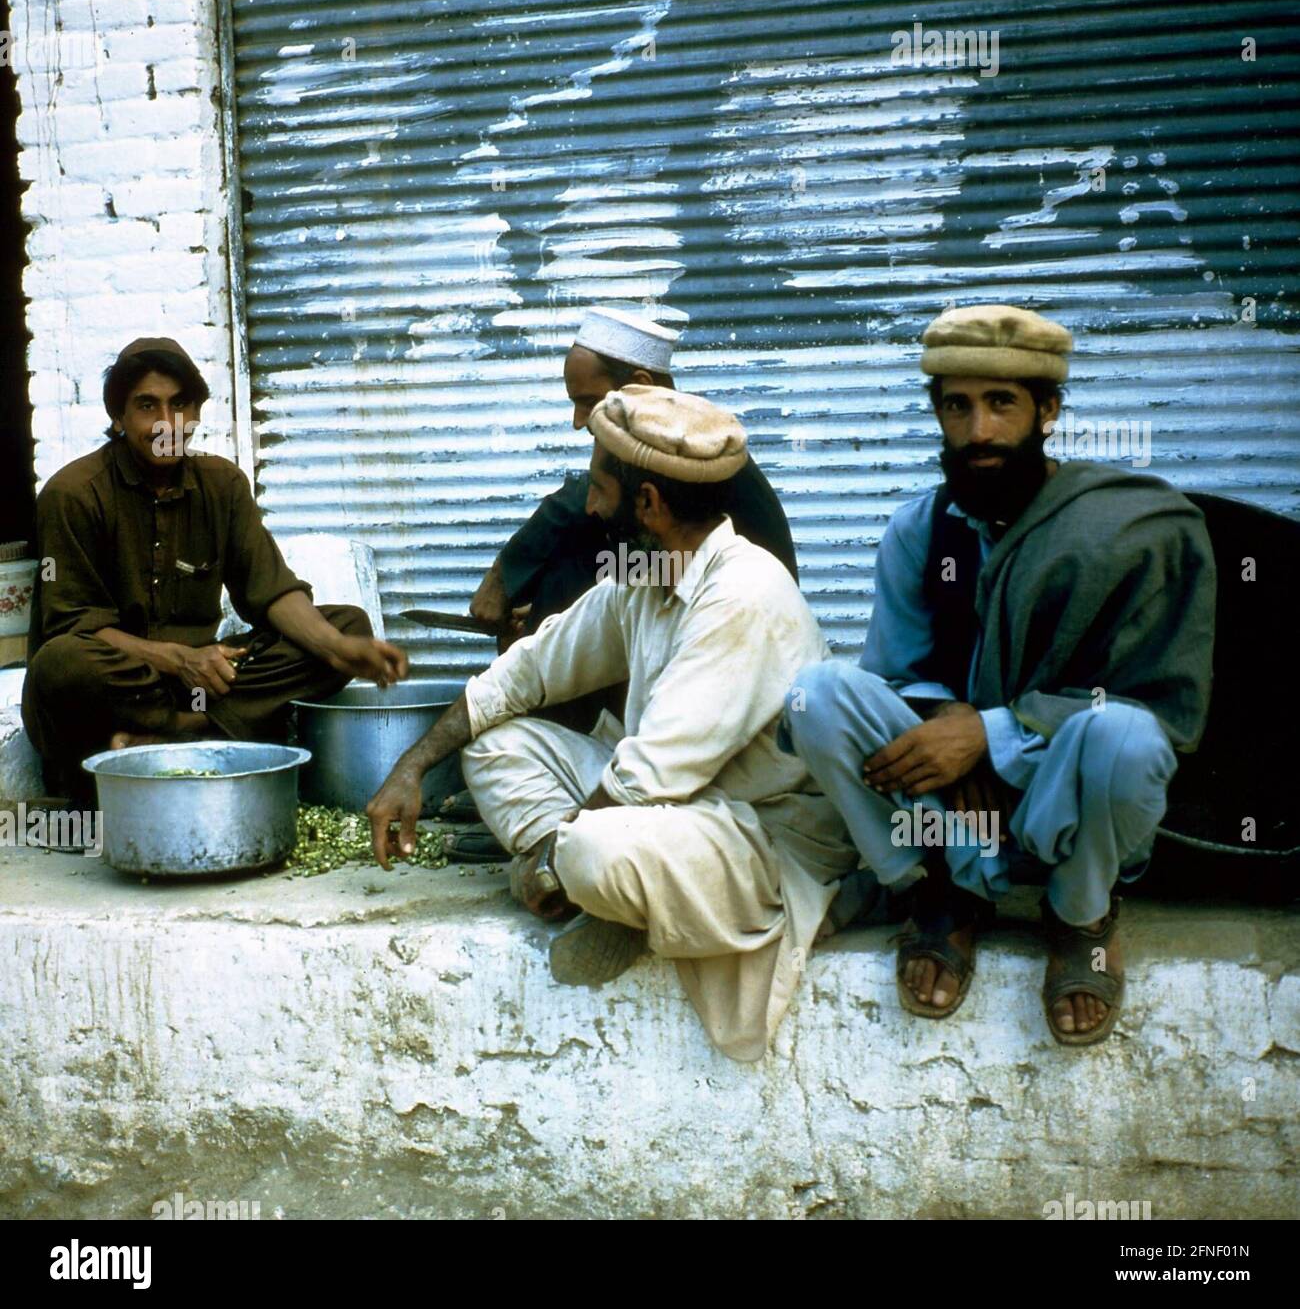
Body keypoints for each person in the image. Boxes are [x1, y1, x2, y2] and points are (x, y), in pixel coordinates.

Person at [366, 386, 856, 1061]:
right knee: (495, 748)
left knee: (595, 850)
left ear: (648, 504)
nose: (590, 506)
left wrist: (547, 857)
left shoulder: (744, 593)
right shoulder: (644, 576)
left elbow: (649, 775)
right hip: (666, 808)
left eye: (598, 488)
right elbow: (527, 671)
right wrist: (412, 765)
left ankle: (581, 880)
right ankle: (587, 890)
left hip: (758, 832)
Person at [782, 305, 1216, 1045]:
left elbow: (1159, 702)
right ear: (938, 414)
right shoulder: (923, 529)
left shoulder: (1127, 530)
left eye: (1001, 404)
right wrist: (946, 739)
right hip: (954, 815)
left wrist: (990, 735)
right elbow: (896, 676)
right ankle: (940, 895)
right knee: (816, 695)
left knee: (1128, 738)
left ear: (1048, 411)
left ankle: (1080, 915)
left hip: (1064, 795)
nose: (978, 431)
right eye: (958, 406)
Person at [22, 336, 408, 803]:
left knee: (344, 622)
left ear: (197, 412)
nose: (167, 424)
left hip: (203, 688)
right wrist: (177, 658)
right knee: (61, 663)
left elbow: (270, 590)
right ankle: (202, 738)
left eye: (179, 404)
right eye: (147, 406)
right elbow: (72, 628)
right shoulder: (74, 494)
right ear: (117, 418)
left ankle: (171, 742)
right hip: (118, 688)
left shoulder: (222, 484)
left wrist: (340, 648)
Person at [469, 305, 797, 643]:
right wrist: (551, 610)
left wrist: (504, 573)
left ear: (641, 386)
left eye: (588, 402)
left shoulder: (695, 454)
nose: (579, 421)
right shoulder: (665, 448)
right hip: (681, 593)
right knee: (569, 572)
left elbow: (579, 501)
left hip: (737, 628)